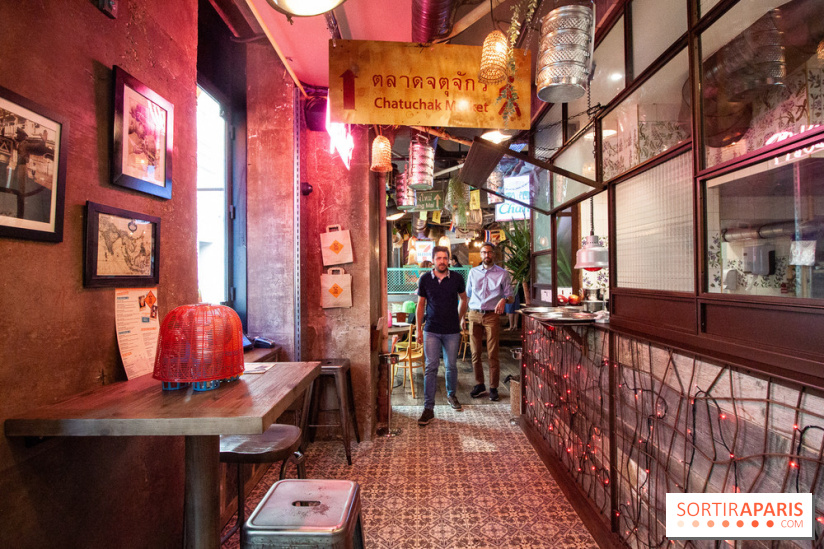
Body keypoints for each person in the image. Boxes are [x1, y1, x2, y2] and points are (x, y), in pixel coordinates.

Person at [415, 246, 468, 426]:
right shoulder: (424, 279)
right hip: (431, 329)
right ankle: (428, 408)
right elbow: (420, 305)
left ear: (448, 260)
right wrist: (418, 329)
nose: (442, 261)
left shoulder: (457, 278)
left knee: (451, 365)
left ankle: (451, 395)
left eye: (445, 258)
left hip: (452, 330)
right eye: (439, 258)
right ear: (433, 260)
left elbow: (464, 299)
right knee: (431, 367)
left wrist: (459, 318)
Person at [463, 242, 513, 401]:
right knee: (475, 353)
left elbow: (510, 296)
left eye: (489, 252)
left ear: (494, 254)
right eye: (484, 252)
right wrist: (463, 316)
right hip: (474, 314)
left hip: (492, 315)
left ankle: (493, 387)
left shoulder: (503, 274)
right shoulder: (473, 272)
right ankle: (479, 384)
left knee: (493, 353)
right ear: (481, 254)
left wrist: (504, 299)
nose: (487, 255)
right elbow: (467, 296)